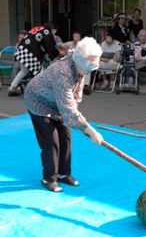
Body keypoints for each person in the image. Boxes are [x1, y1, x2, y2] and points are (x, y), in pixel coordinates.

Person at [24, 37, 104, 192]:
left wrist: (76, 119)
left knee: (66, 136)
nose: (89, 72)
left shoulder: (79, 68)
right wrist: (89, 129)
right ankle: (49, 178)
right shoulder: (63, 72)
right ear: (80, 61)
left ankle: (63, 173)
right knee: (51, 141)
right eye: (88, 68)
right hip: (38, 102)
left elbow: (74, 97)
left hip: (57, 102)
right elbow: (67, 108)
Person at [9, 21, 59, 97]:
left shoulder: (38, 28)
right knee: (40, 71)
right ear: (53, 29)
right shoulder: (46, 31)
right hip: (30, 54)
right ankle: (40, 90)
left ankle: (12, 88)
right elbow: (49, 46)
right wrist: (56, 52)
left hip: (21, 50)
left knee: (23, 71)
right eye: (55, 31)